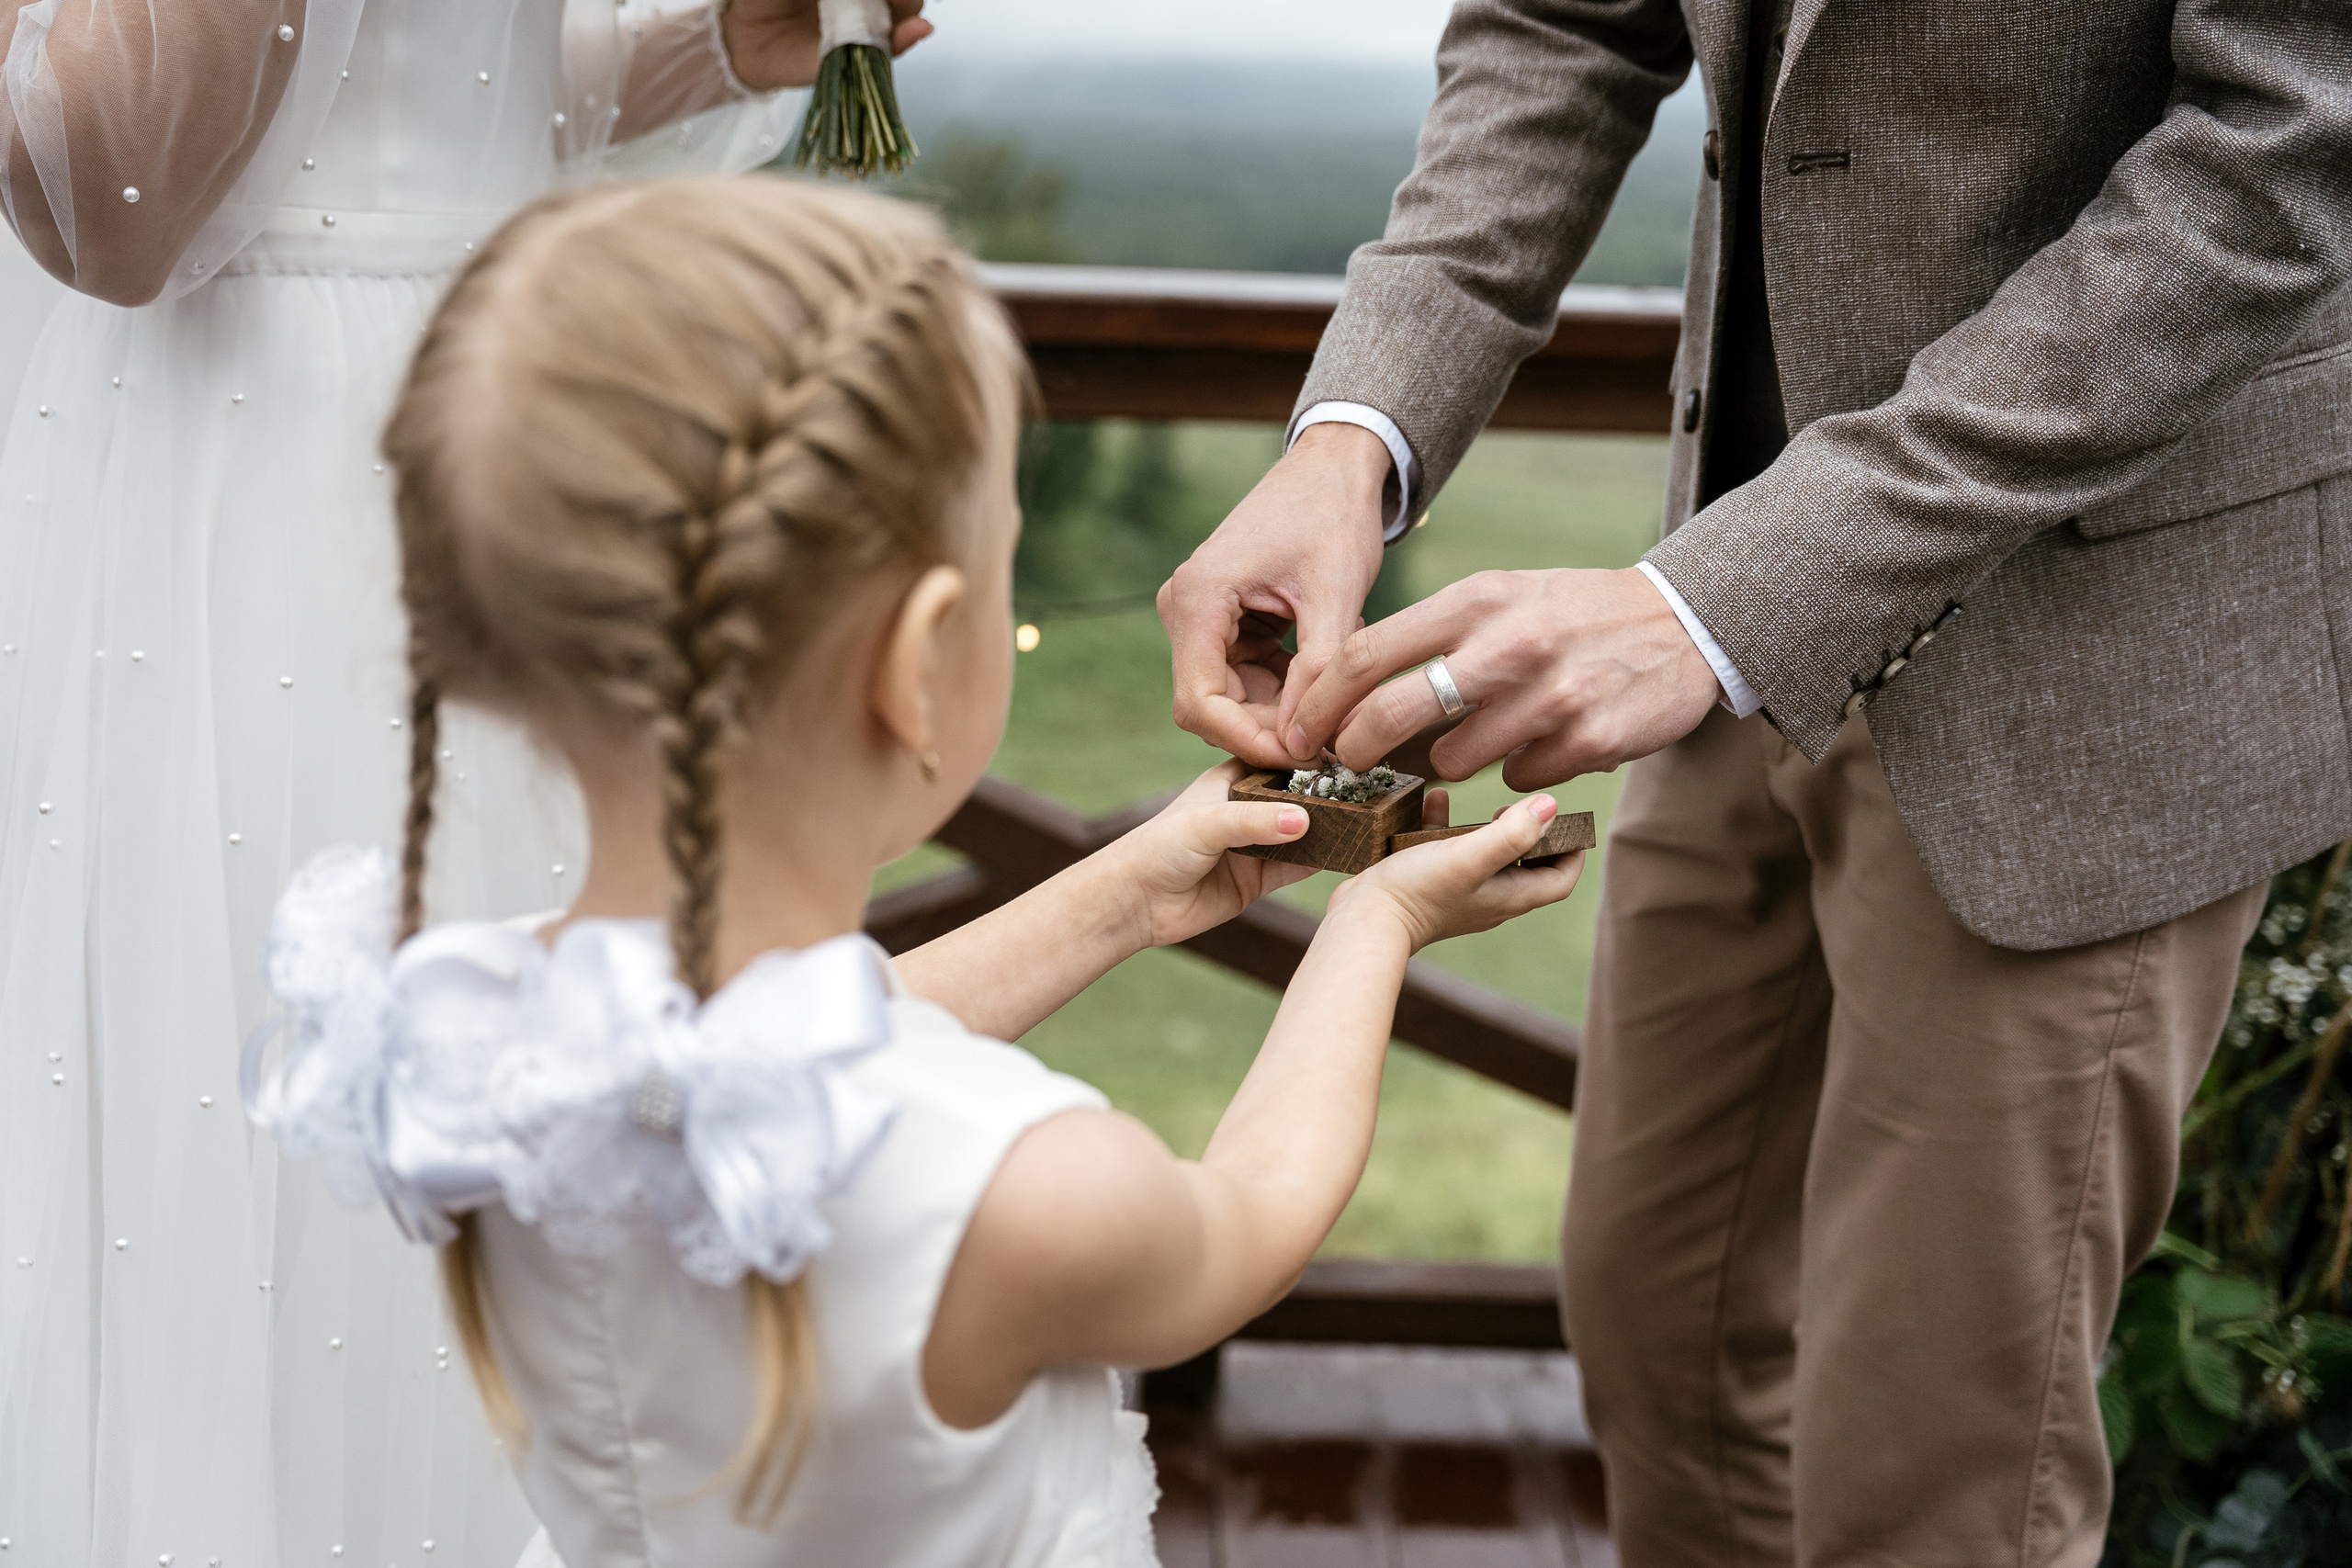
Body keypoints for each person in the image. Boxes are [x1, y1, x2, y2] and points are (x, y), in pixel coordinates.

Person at [1156, 1, 2352, 1562]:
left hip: (2083, 653)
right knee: (1666, 1344)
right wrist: (1350, 440)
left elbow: (2290, 147)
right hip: (1726, 617)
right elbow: (1556, 24)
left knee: (1927, 1481)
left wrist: (1718, 604)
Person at [243, 175, 1584, 1563]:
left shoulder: (461, 1032)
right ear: (914, 658)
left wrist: (1130, 888)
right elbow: (1247, 1215)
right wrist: (1376, 920)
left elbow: (819, 1048)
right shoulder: (1026, 1193)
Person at [0, 3, 923, 1562]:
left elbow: (145, 180)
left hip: (356, 454)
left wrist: (708, 41)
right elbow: (193, 176)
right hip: (363, 439)